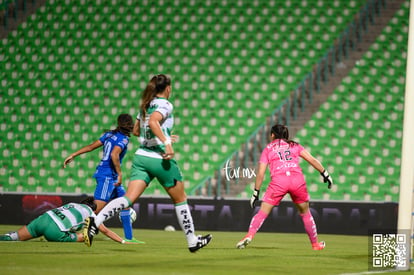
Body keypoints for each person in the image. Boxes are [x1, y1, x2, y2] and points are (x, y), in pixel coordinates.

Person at [83, 74, 212, 252]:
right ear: (168, 88)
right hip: (159, 158)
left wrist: (164, 135)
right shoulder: (165, 104)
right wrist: (166, 143)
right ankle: (192, 241)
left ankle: (95, 221)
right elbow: (153, 122)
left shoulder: (146, 105)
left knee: (128, 198)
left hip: (141, 157)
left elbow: (136, 131)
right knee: (180, 199)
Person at [236, 124, 333, 250]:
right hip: (297, 181)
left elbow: (260, 173)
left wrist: (256, 193)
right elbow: (312, 160)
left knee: (263, 212)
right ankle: (315, 244)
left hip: (279, 181)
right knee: (305, 213)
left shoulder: (268, 149)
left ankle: (249, 235)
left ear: (272, 135)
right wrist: (325, 174)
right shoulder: (294, 145)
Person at [63, 114, 143, 243]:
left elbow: (90, 147)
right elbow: (114, 154)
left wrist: (74, 154)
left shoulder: (109, 135)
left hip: (109, 175)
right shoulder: (123, 139)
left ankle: (129, 238)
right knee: (96, 210)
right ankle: (70, 225)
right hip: (107, 176)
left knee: (126, 204)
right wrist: (120, 173)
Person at [0, 197, 137, 244]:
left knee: (15, 237)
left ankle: (5, 237)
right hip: (55, 230)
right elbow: (105, 231)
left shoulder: (72, 204)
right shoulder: (91, 214)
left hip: (44, 218)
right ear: (94, 209)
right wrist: (123, 241)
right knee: (87, 235)